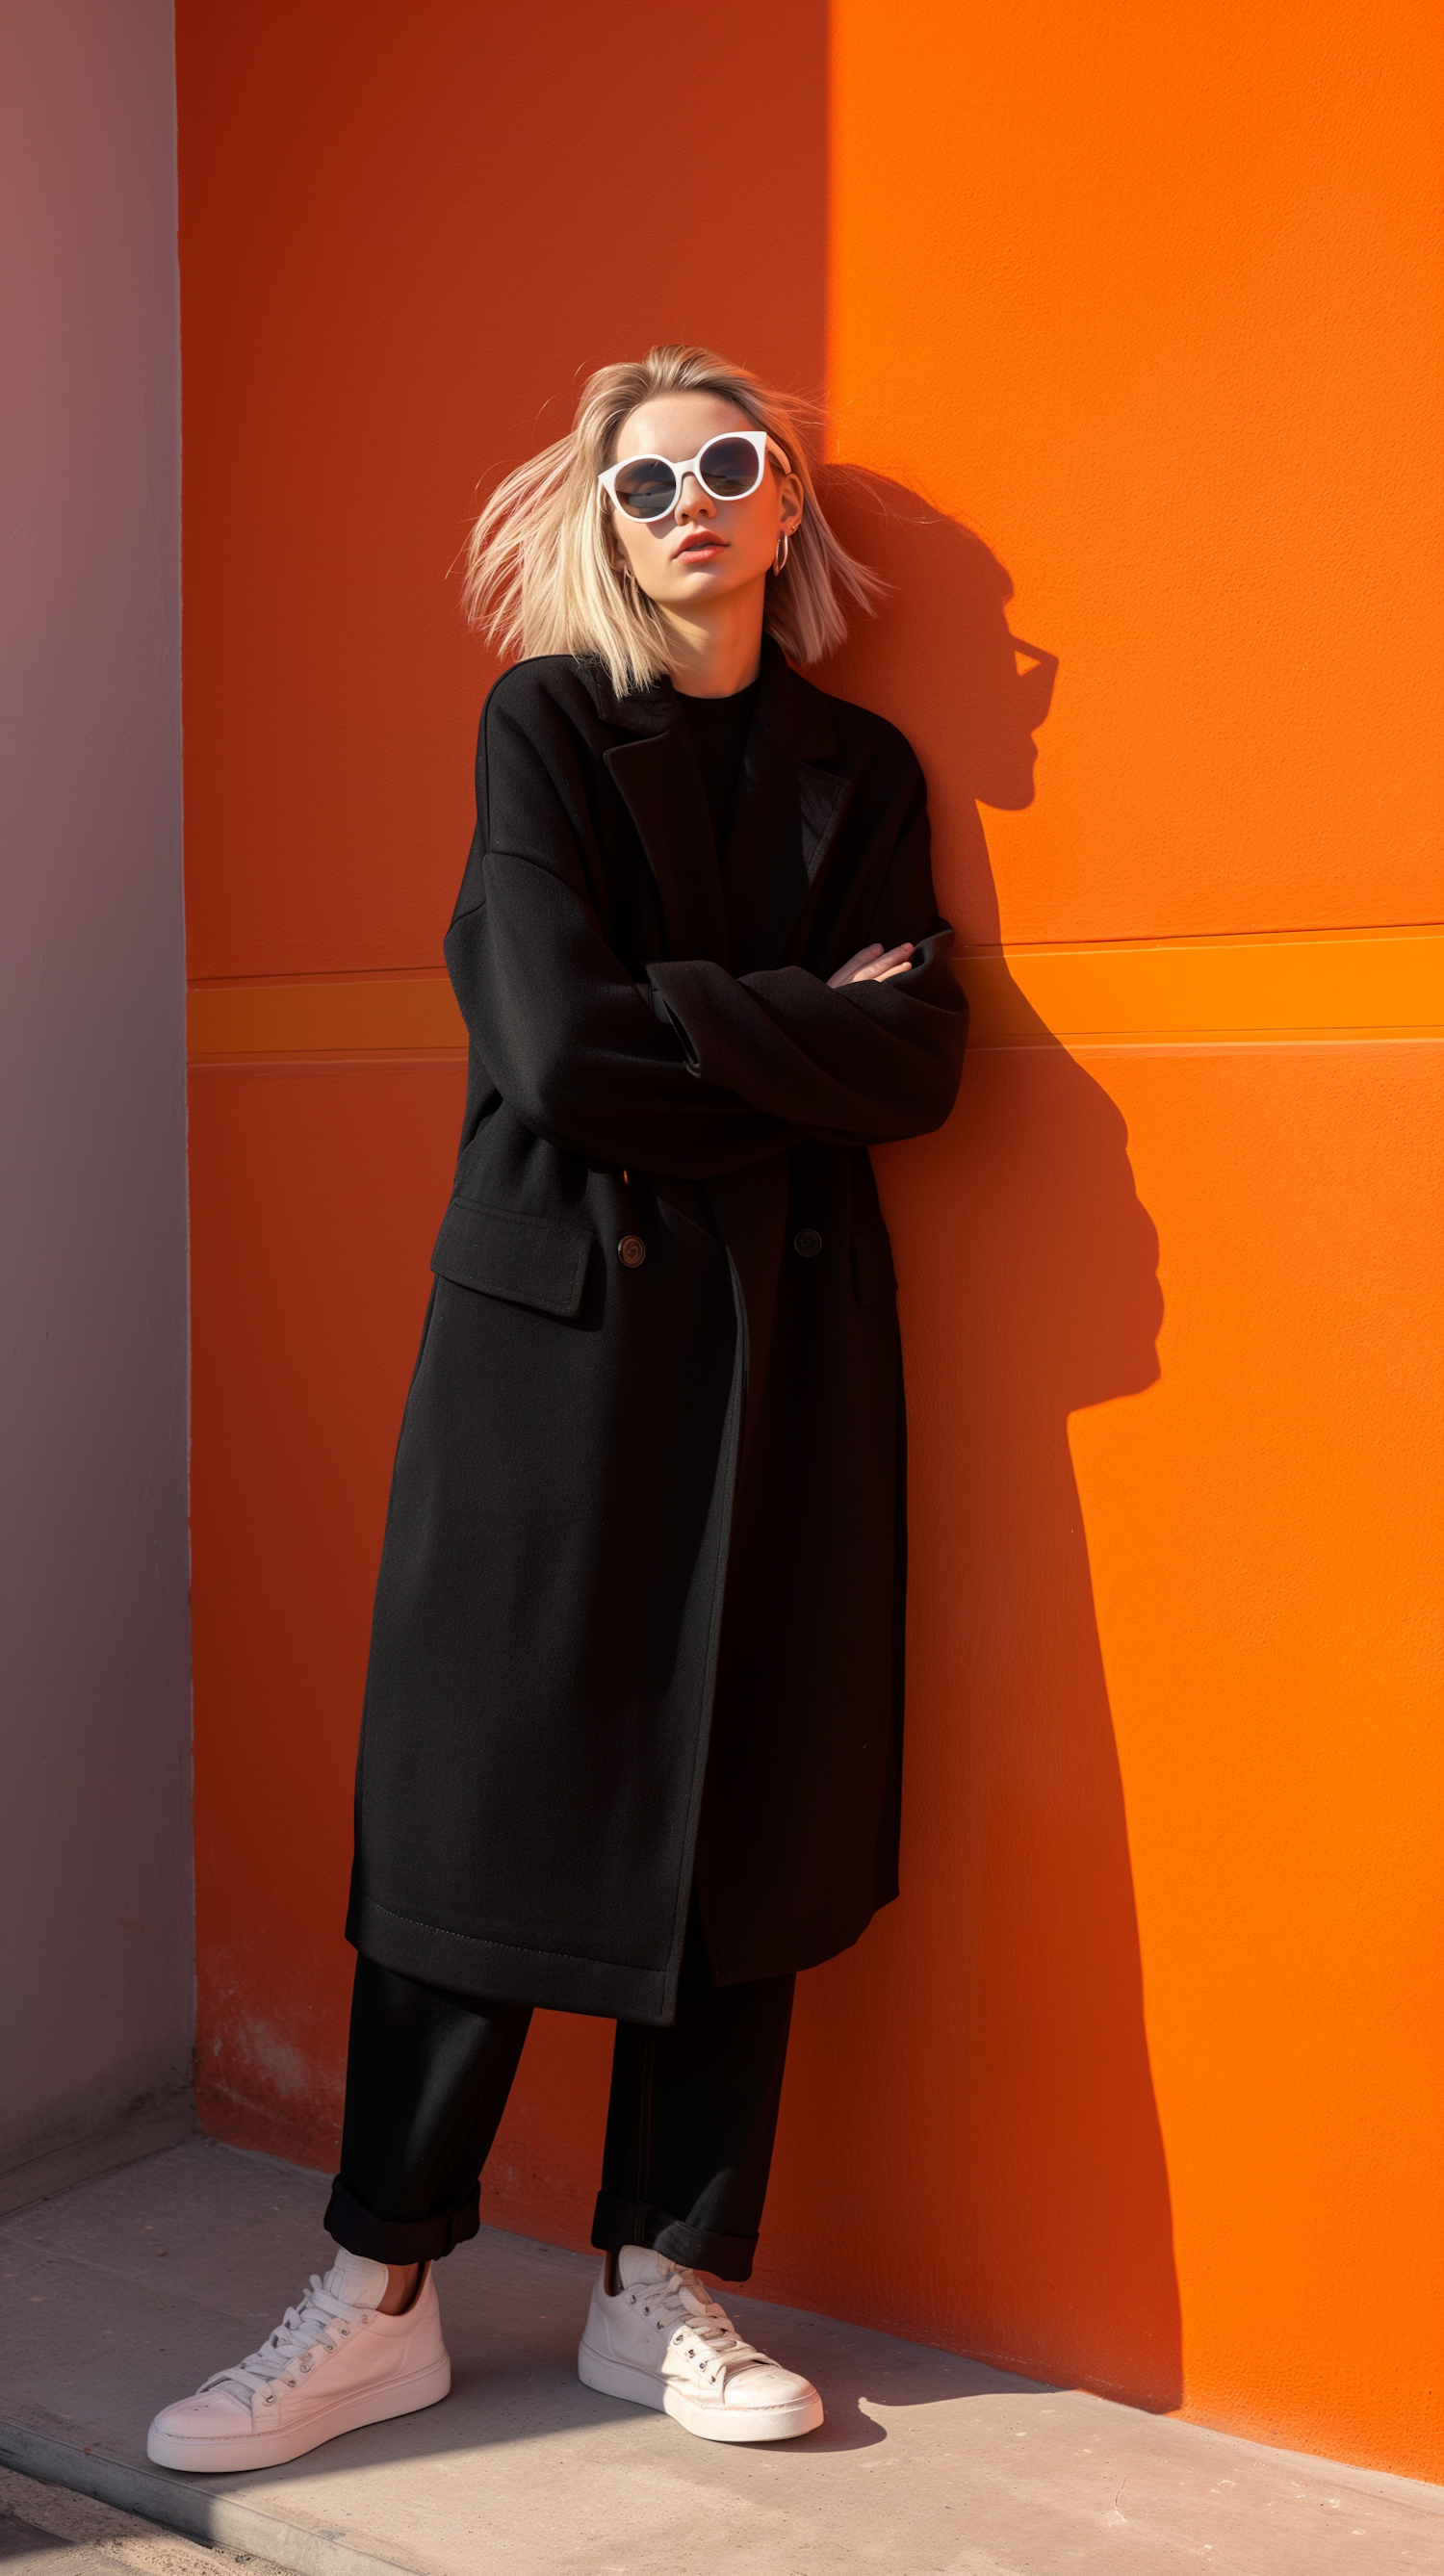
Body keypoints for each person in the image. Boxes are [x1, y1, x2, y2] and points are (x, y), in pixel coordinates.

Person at [147, 344, 967, 2470]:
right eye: (645, 483)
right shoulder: (545, 723)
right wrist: (791, 1026)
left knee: (748, 1795)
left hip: (787, 1349)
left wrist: (688, 1021)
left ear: (784, 505)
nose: (690, 504)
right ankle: (379, 2288)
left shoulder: (862, 770)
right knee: (474, 1792)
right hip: (553, 1336)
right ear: (602, 523)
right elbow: (553, 1048)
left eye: (727, 465)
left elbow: (925, 1063)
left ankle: (658, 2284)